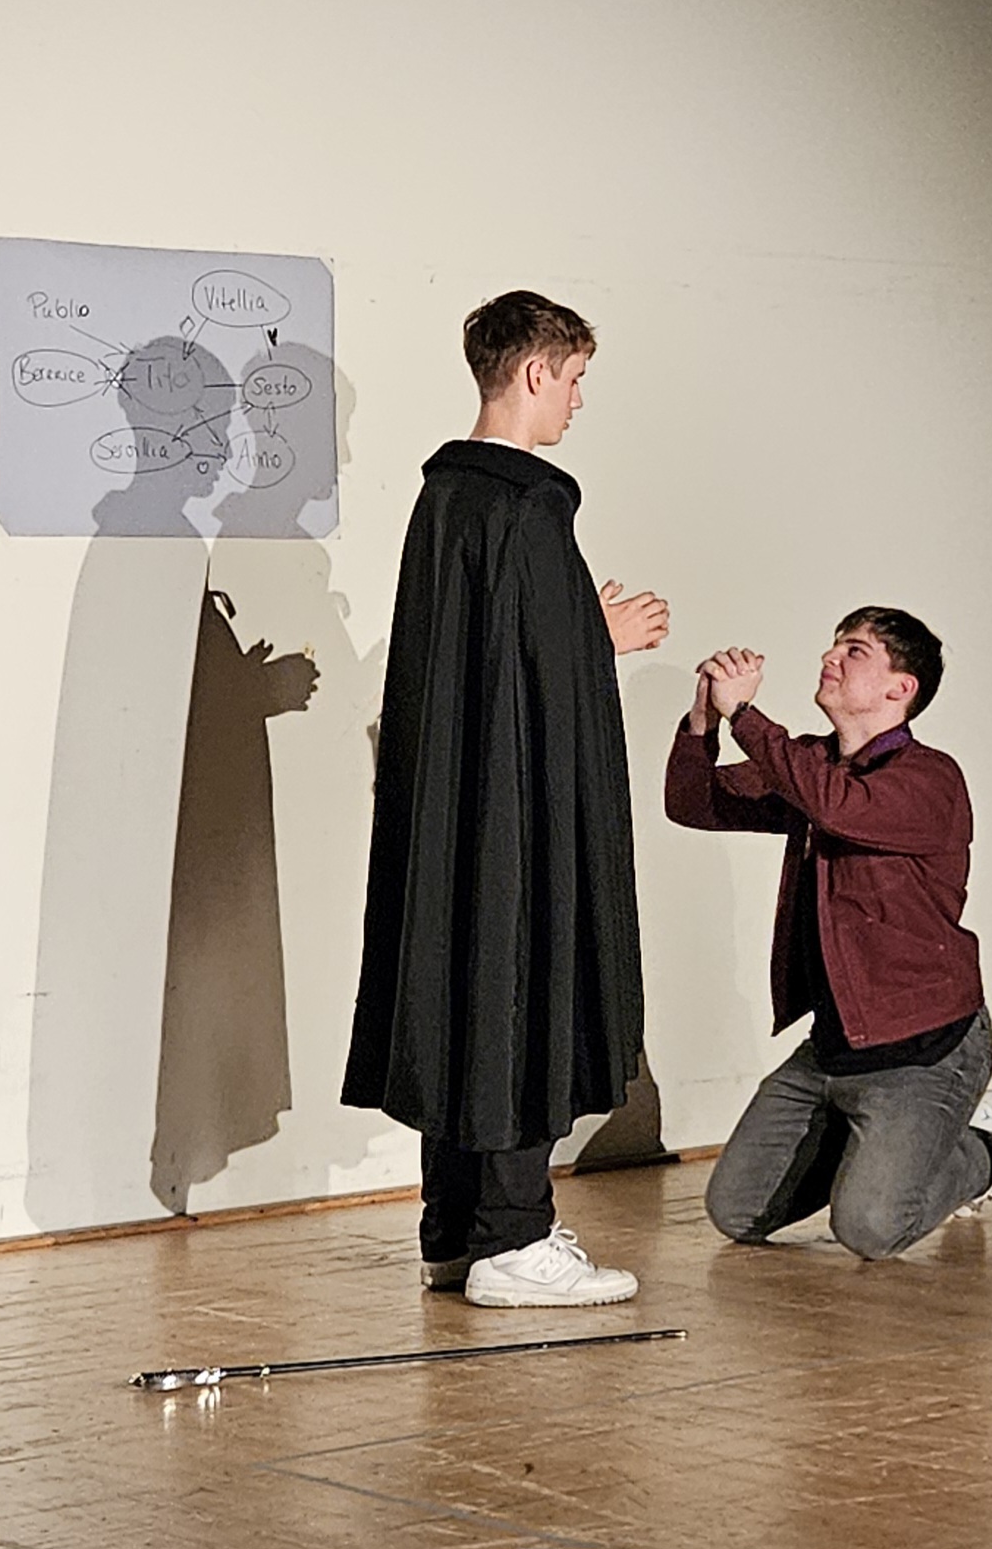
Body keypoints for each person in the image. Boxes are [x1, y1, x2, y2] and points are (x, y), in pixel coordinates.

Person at [343, 291, 668, 1306]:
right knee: (523, 976)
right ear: (534, 372)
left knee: (465, 978)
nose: (576, 400)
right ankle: (513, 1235)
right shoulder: (526, 504)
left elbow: (479, 658)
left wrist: (572, 628)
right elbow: (535, 674)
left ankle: (457, 1231)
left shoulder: (446, 499)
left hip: (457, 802)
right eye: (573, 379)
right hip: (518, 808)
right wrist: (601, 637)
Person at [663, 609, 992, 1260]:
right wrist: (704, 720)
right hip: (834, 1048)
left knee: (872, 1228)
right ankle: (876, 1150)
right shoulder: (811, 767)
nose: (830, 657)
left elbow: (837, 808)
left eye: (854, 650)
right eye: (833, 645)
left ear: (900, 687)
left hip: (925, 1050)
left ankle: (990, 1152)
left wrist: (747, 718)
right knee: (735, 1210)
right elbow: (694, 804)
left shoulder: (929, 778)